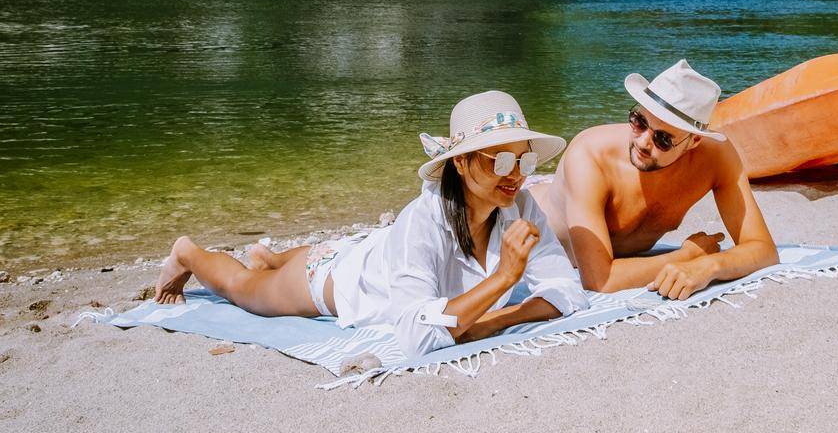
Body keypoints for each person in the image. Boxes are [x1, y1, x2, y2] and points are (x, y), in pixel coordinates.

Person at [154, 91, 588, 357]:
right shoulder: (423, 221)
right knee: (245, 291)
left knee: (299, 258)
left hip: (380, 250)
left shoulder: (521, 205)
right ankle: (188, 252)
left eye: (525, 158)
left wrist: (493, 320)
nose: (517, 174)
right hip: (340, 280)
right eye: (503, 160)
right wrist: (503, 279)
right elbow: (419, 338)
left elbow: (568, 291)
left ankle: (268, 255)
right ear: (460, 161)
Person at [532, 59, 778, 300]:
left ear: (694, 141)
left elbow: (763, 249)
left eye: (663, 139)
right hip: (520, 224)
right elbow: (599, 280)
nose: (641, 142)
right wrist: (686, 256)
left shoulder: (715, 158)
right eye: (639, 122)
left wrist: (709, 267)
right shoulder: (589, 156)